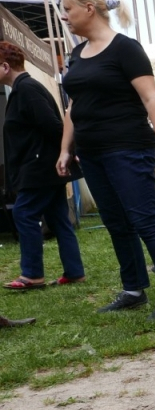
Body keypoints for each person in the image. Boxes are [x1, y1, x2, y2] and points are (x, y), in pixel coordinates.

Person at [57, 0, 155, 319]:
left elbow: (151, 98)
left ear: (88, 8)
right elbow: (74, 106)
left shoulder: (125, 49)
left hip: (127, 147)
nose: (63, 16)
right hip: (92, 151)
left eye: (67, 9)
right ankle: (133, 289)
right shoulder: (77, 53)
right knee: (115, 221)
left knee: (145, 220)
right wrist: (65, 149)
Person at [0, 41, 85, 291]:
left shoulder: (27, 89)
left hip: (41, 168)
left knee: (24, 213)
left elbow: (54, 125)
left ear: (5, 66)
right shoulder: (22, 89)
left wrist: (67, 152)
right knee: (58, 218)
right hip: (44, 167)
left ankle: (32, 275)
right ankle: (74, 271)